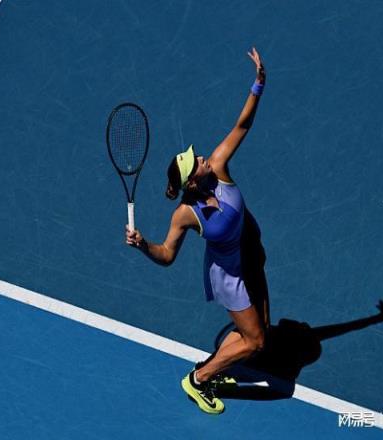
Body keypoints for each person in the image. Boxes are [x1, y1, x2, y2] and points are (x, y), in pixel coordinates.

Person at [125, 47, 268, 415]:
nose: (203, 157)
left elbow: (242, 126)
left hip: (249, 251)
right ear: (192, 182)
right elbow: (167, 255)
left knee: (260, 330)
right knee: (255, 342)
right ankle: (200, 378)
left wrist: (257, 84)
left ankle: (214, 367)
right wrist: (143, 245)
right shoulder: (185, 215)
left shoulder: (219, 166)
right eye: (196, 162)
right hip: (228, 275)